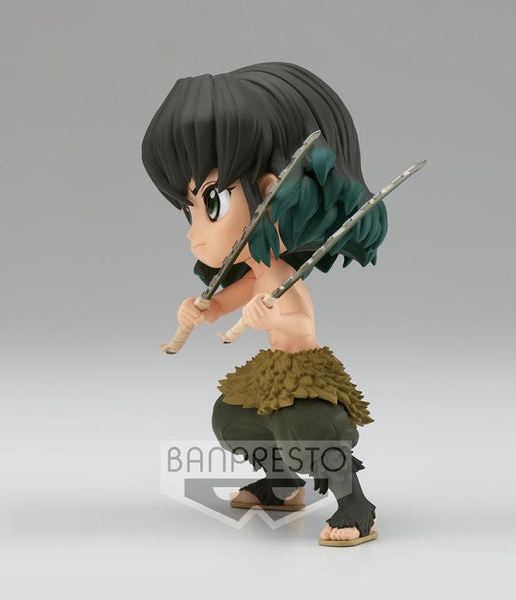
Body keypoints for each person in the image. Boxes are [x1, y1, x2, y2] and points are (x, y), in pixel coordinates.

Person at [142, 62, 388, 546]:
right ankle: (282, 481)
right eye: (191, 209)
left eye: (212, 203)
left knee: (308, 427)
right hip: (274, 368)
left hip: (302, 369)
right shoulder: (258, 270)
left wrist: (273, 316)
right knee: (234, 415)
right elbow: (228, 301)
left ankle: (355, 504)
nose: (195, 234)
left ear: (272, 190)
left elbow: (302, 322)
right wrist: (205, 310)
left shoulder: (282, 277)